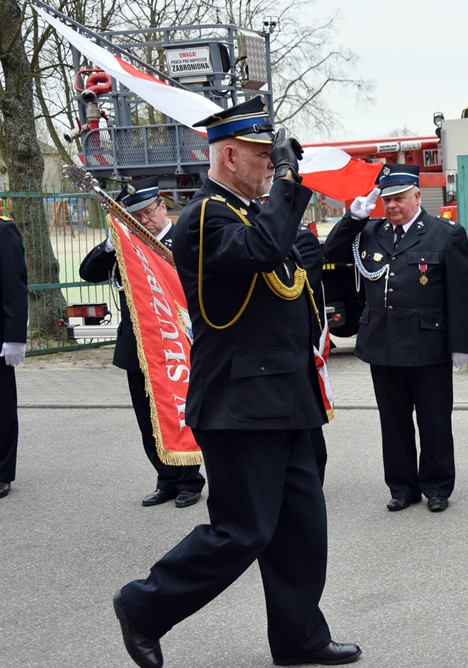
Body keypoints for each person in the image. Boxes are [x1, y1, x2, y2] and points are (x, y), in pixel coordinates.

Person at [111, 97, 360, 668]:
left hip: (284, 396)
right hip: (239, 402)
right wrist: (290, 182)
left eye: (274, 156)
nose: (271, 163)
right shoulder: (206, 217)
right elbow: (264, 250)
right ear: (228, 156)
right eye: (262, 154)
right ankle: (143, 606)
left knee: (302, 527)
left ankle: (299, 638)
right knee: (242, 531)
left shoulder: (248, 213)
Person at [323, 164, 468, 513]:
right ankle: (402, 487)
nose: (391, 206)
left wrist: (460, 346)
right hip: (383, 343)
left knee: (434, 420)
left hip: (427, 345)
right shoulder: (371, 231)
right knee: (393, 422)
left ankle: (437, 486)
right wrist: (353, 218)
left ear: (417, 197)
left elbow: (460, 293)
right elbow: (331, 253)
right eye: (387, 200)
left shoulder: (445, 234)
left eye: (399, 199)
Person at [79, 177, 205, 508]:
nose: (144, 220)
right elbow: (88, 272)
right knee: (147, 417)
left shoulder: (185, 240)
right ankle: (166, 479)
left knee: (180, 411)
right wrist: (111, 244)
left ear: (163, 207)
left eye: (148, 212)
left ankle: (190, 479)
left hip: (177, 343)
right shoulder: (128, 246)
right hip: (138, 346)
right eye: (135, 216)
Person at [0, 214, 27, 499]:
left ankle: (2, 472)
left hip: (0, 338)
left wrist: (15, 337)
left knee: (1, 406)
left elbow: (14, 285)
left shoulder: (3, 230)